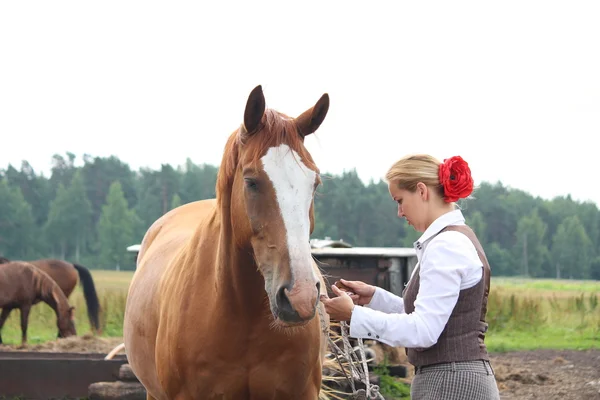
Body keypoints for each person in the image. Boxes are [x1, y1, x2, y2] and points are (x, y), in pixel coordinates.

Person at [320, 154, 500, 400]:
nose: (399, 212)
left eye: (400, 200)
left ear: (422, 191)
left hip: (452, 384)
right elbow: (428, 317)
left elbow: (423, 331)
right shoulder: (451, 239)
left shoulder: (446, 245)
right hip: (452, 379)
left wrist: (354, 315)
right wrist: (374, 298)